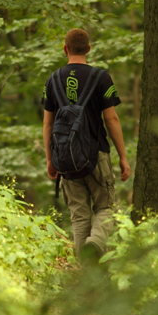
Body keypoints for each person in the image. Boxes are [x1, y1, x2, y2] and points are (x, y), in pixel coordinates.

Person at [42, 28, 130, 265]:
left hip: (66, 159)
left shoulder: (53, 80)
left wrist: (50, 159)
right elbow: (111, 119)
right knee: (107, 207)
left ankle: (86, 279)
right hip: (97, 155)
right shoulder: (101, 77)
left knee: (79, 218)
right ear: (89, 49)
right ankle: (97, 242)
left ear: (65, 49)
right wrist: (123, 157)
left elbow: (48, 124)